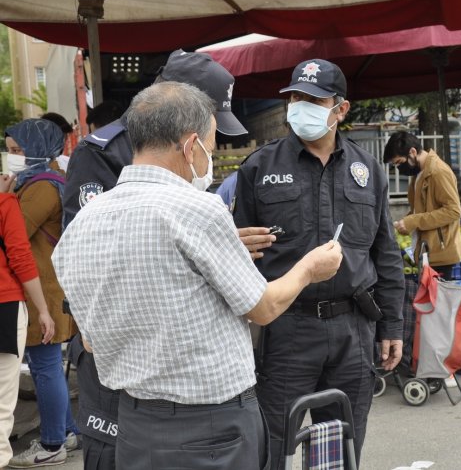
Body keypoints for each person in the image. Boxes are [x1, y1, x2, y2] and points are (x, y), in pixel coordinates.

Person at [51, 81, 343, 470]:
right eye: (210, 145)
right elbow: (264, 306)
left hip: (135, 423)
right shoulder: (198, 209)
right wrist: (309, 268)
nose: (209, 157)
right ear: (191, 147)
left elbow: (89, 340)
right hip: (212, 428)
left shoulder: (83, 223)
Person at [61, 49, 276, 469]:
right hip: (125, 379)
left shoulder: (187, 187)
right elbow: (92, 260)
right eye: (211, 128)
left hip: (177, 391)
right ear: (188, 129)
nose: (213, 147)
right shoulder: (101, 154)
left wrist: (217, 246)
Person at [233, 58, 405, 469]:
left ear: (340, 109)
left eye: (312, 99)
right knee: (274, 444)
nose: (299, 105)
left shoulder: (369, 171)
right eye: (294, 97)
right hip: (286, 330)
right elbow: (234, 260)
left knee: (342, 447)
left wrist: (393, 326)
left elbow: (386, 254)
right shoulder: (260, 167)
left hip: (353, 331)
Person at [4, 119, 79, 468]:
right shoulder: (38, 182)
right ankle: (65, 430)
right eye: (9, 150)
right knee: (45, 365)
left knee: (45, 366)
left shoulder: (42, 187)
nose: (11, 157)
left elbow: (12, 233)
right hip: (44, 286)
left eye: (18, 151)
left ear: (36, 149)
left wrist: (5, 197)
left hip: (42, 291)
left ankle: (51, 444)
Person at [0, 173, 55, 469]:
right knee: (1, 401)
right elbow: (21, 257)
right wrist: (43, 310)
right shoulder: (5, 204)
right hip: (4, 307)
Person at [383, 130, 461, 278]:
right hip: (428, 251)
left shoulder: (438, 171)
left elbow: (453, 211)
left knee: (438, 300)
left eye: (399, 163)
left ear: (413, 152)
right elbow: (422, 209)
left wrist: (413, 221)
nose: (399, 168)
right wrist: (406, 222)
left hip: (440, 253)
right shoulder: (420, 172)